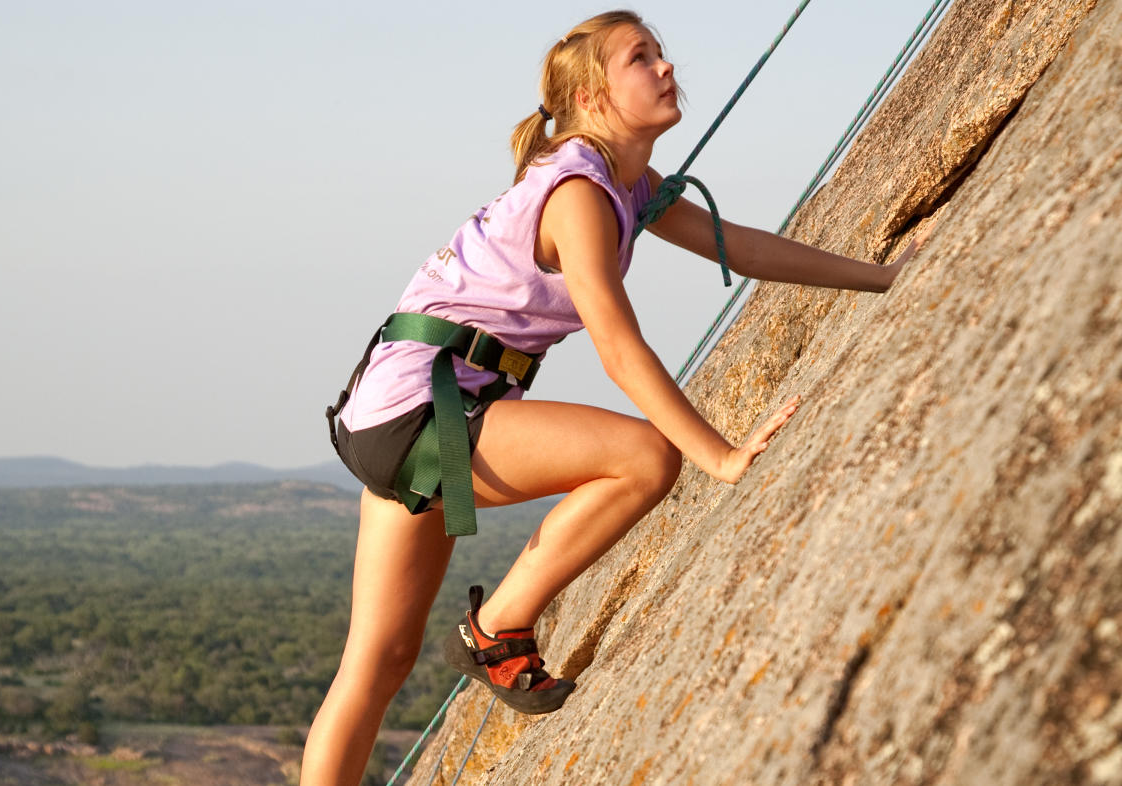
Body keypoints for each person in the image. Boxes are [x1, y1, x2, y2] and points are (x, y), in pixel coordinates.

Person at [301, 10, 925, 785]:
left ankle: (491, 635)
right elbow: (620, 350)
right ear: (595, 94)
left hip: (394, 410)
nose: (666, 69)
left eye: (661, 54)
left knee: (377, 662)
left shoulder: (624, 184)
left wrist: (883, 276)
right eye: (642, 58)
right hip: (421, 414)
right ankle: (496, 630)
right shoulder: (578, 195)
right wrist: (720, 458)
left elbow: (743, 246)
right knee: (643, 457)